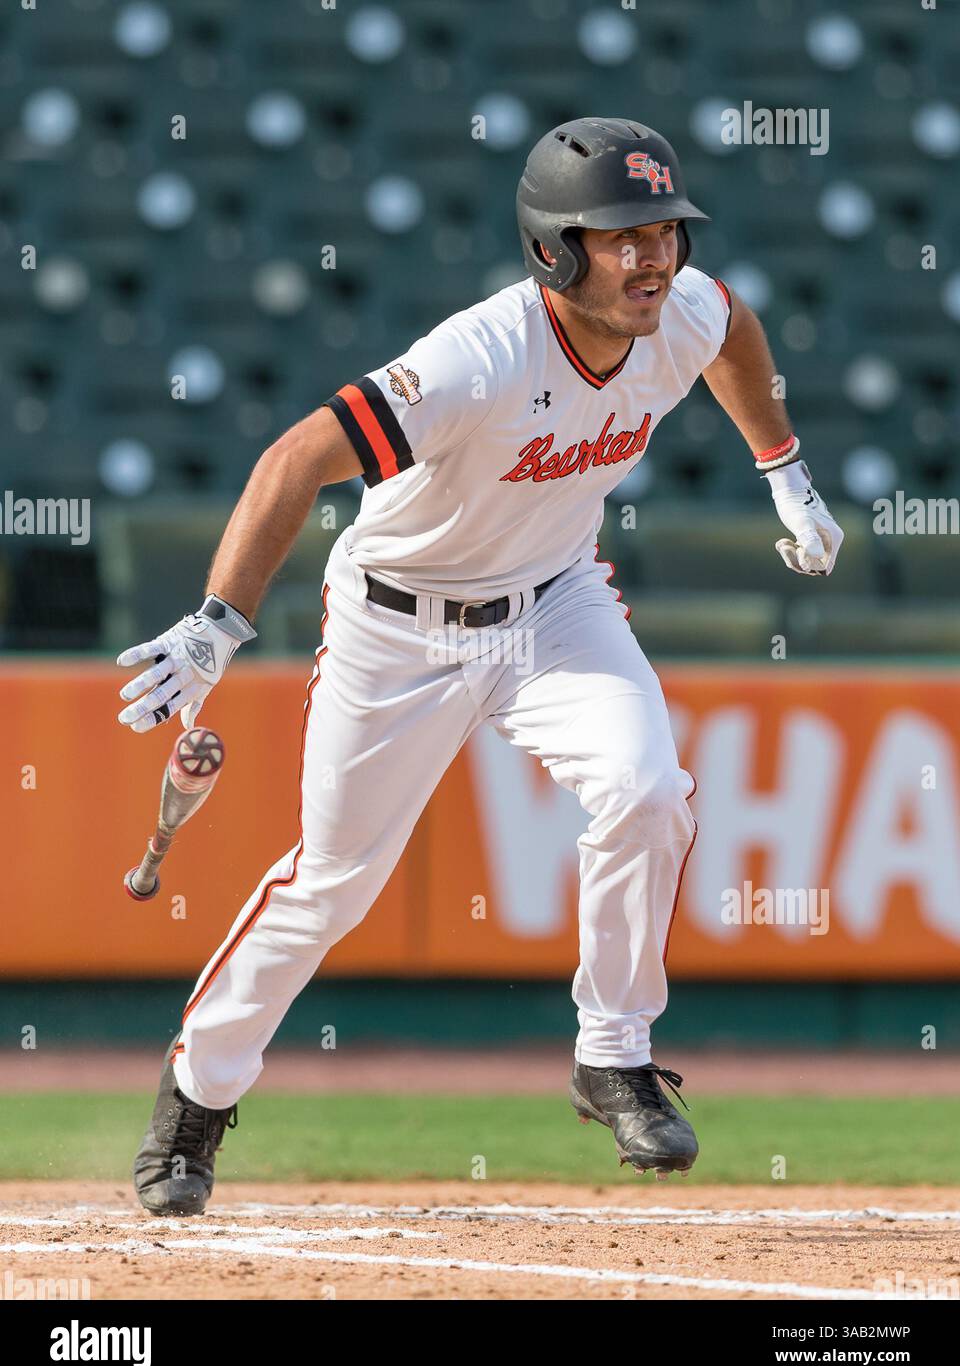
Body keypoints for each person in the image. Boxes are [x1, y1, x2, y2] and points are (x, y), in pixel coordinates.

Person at [118, 118, 843, 1215]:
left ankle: (613, 1053)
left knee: (649, 790)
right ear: (556, 249)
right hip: (398, 627)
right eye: (620, 237)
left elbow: (734, 329)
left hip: (555, 601)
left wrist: (783, 465)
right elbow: (296, 457)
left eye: (663, 232)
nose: (653, 258)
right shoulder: (480, 357)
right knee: (333, 883)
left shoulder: (680, 311)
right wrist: (219, 622)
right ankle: (193, 1101)